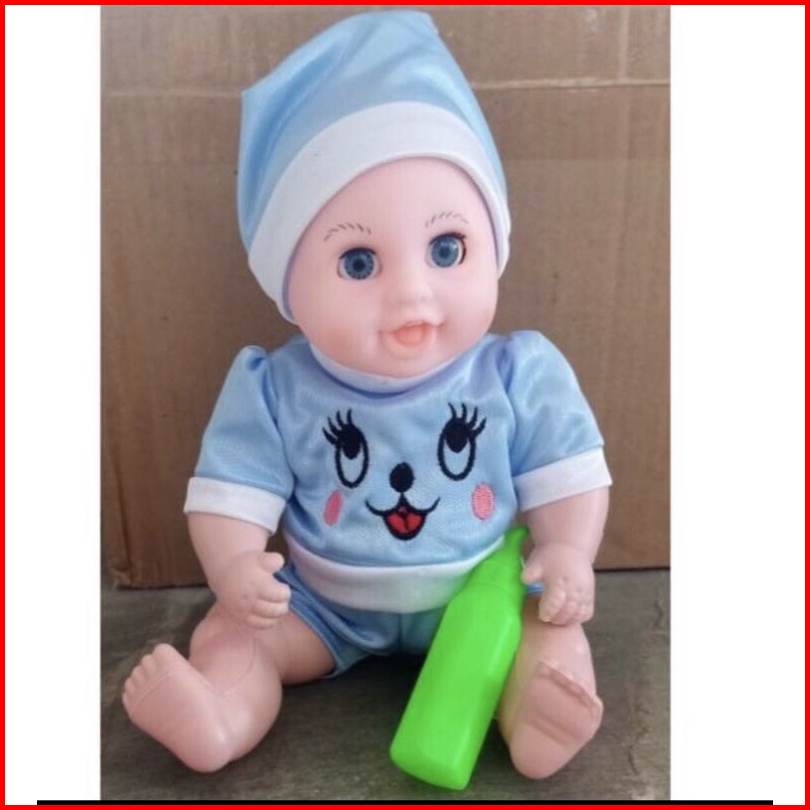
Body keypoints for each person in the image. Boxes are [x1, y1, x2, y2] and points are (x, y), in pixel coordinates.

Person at [122, 11, 612, 779]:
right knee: (236, 633)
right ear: (289, 285)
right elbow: (230, 491)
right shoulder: (276, 388)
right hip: (322, 608)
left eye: (446, 249)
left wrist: (568, 550)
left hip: (478, 594)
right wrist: (236, 567)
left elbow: (568, 472)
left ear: (494, 245)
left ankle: (540, 715)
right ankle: (219, 711)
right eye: (359, 263)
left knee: (546, 625)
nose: (413, 293)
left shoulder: (515, 373)